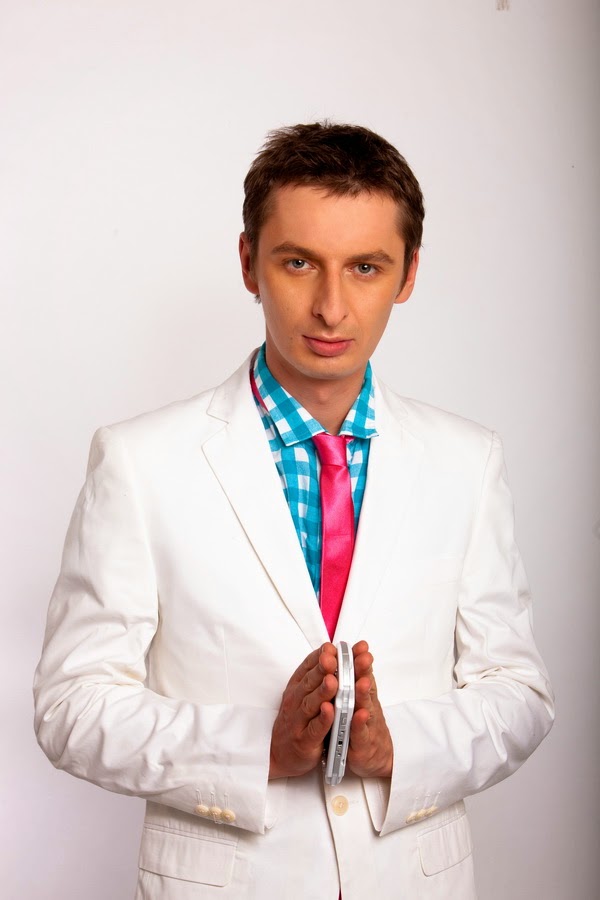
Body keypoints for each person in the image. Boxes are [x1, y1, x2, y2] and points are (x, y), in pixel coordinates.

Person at [33, 122, 554, 900]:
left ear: (408, 274)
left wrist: (397, 749)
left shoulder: (467, 461)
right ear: (249, 262)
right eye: (299, 262)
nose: (331, 307)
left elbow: (517, 692)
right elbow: (70, 706)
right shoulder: (139, 462)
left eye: (366, 267)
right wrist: (256, 750)